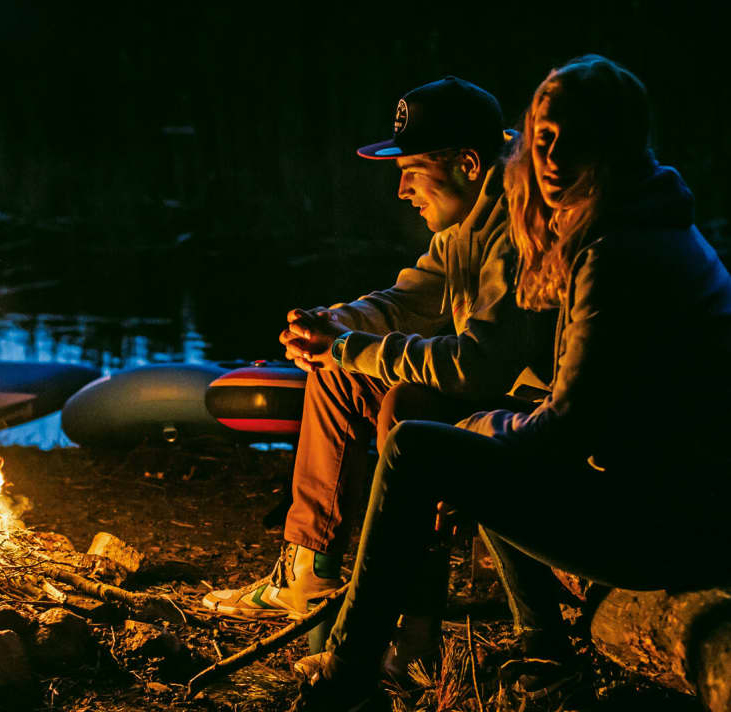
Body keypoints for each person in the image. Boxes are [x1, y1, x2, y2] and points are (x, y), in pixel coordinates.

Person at [288, 54, 731, 712]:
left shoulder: (615, 254)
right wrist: (341, 330)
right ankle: (538, 647)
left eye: (567, 138)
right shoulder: (618, 224)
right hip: (663, 500)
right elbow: (418, 299)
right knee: (478, 430)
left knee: (424, 446)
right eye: (540, 138)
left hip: (671, 526)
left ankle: (353, 665)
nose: (546, 156)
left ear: (613, 142)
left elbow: (562, 425)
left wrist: (474, 430)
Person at [202, 76, 554, 672]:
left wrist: (352, 345)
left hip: (535, 413)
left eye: (412, 170)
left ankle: (416, 634)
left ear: (468, 164)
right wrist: (332, 326)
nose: (400, 189)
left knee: (405, 408)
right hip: (492, 395)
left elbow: (475, 366)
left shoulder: (518, 227)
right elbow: (411, 298)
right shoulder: (466, 222)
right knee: (339, 372)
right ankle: (308, 567)